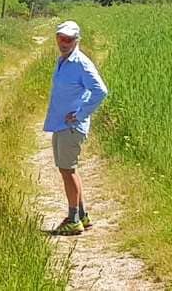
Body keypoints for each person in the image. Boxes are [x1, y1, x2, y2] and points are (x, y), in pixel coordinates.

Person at [43, 20, 108, 236]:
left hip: (71, 126)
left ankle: (73, 220)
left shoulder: (81, 63)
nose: (64, 43)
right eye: (61, 38)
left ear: (76, 40)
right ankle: (82, 214)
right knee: (67, 170)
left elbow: (100, 91)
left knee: (67, 170)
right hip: (62, 124)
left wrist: (80, 114)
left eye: (69, 39)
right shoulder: (64, 61)